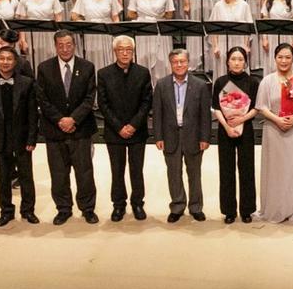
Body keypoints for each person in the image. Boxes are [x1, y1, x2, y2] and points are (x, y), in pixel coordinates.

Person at [36, 30, 98, 225]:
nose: (65, 49)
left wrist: (73, 119)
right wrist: (60, 120)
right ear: (55, 46)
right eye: (60, 45)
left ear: (74, 45)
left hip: (81, 128)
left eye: (68, 44)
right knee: (58, 173)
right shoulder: (44, 68)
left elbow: (89, 98)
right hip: (54, 129)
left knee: (84, 172)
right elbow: (42, 99)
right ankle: (63, 209)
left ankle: (87, 208)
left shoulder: (87, 67)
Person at [0, 47, 39, 226]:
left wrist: (32, 138)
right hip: (0, 138)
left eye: (9, 59)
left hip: (22, 137)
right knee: (3, 177)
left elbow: (32, 113)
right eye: (2, 59)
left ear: (15, 62)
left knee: (26, 176)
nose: (5, 62)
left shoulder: (27, 83)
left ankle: (28, 210)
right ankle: (6, 211)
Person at [256, 43, 293, 224]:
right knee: (275, 170)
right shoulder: (267, 81)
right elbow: (261, 107)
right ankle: (275, 208)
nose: (283, 61)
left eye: (287, 57)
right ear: (274, 58)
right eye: (280, 57)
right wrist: (277, 119)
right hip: (273, 130)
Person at [96, 35, 152, 222]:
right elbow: (103, 104)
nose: (125, 53)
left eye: (129, 49)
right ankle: (118, 205)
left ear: (133, 51)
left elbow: (146, 102)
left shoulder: (143, 72)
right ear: (115, 51)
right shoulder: (104, 73)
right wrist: (119, 127)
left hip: (137, 130)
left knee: (137, 170)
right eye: (121, 49)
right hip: (114, 131)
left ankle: (137, 203)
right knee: (117, 170)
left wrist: (133, 125)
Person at [153, 49, 211, 223]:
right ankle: (177, 206)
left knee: (194, 174)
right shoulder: (161, 85)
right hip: (170, 135)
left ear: (188, 63)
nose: (179, 65)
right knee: (174, 174)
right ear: (170, 64)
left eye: (182, 61)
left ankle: (196, 207)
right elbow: (157, 113)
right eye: (175, 62)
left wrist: (205, 138)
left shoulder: (200, 85)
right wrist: (158, 136)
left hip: (193, 136)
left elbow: (205, 115)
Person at [211, 47, 260, 224]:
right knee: (226, 170)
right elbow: (216, 107)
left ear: (245, 62)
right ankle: (229, 210)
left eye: (240, 59)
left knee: (247, 169)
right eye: (233, 59)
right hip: (225, 130)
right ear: (227, 62)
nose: (237, 63)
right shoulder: (220, 82)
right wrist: (227, 125)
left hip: (246, 129)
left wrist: (241, 119)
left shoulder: (253, 82)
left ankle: (247, 210)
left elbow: (256, 107)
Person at [127, 0, 175, 84]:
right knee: (143, 59)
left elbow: (170, 14)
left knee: (162, 61)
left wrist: (157, 17)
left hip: (160, 29)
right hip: (143, 30)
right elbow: (131, 14)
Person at [17, 0, 64, 71]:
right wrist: (23, 40)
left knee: (51, 61)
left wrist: (59, 36)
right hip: (31, 35)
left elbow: (58, 17)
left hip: (49, 34)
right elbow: (22, 21)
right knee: (33, 61)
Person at [208, 0, 255, 81]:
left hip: (239, 43)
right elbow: (214, 28)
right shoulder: (218, 5)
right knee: (223, 72)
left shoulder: (244, 5)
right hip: (222, 44)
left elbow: (248, 28)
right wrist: (215, 46)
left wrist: (246, 46)